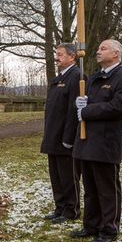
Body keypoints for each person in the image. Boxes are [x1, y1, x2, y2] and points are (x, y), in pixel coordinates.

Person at [70, 39, 122, 242]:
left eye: (103, 48)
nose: (98, 51)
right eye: (98, 48)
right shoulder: (95, 77)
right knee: (89, 186)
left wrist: (87, 110)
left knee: (107, 188)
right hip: (86, 140)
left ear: (116, 53)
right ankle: (91, 225)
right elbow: (89, 103)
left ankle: (109, 228)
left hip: (106, 142)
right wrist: (81, 103)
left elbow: (118, 107)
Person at [40, 43, 81, 224]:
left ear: (72, 57)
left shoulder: (77, 77)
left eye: (60, 54)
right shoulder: (58, 78)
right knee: (56, 175)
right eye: (56, 54)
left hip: (65, 136)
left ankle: (71, 209)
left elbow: (73, 110)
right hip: (52, 134)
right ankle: (60, 206)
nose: (57, 57)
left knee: (68, 175)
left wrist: (69, 137)